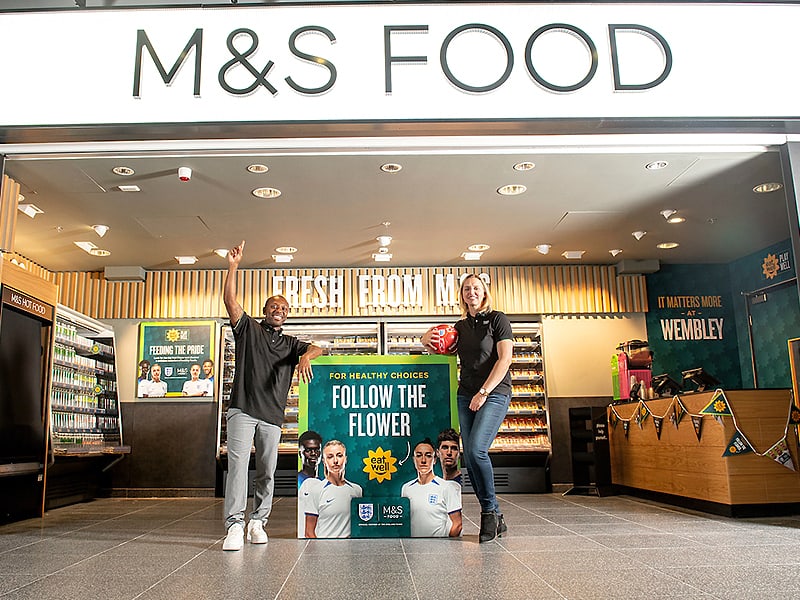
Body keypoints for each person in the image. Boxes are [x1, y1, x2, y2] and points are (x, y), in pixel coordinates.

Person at [222, 239, 324, 551]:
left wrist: (306, 357)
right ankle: (234, 526)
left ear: (287, 315)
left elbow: (319, 347)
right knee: (238, 467)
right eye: (273, 307)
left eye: (283, 308)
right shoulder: (248, 329)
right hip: (242, 408)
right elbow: (230, 302)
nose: (278, 311)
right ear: (265, 311)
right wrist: (233, 266)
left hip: (272, 416)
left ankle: (258, 521)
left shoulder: (292, 344)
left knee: (267, 471)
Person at [421, 274, 513, 543]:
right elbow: (432, 344)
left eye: (476, 288)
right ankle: (496, 515)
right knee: (469, 458)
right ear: (462, 295)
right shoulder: (460, 327)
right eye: (466, 289)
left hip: (494, 393)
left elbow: (505, 358)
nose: (471, 292)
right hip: (466, 394)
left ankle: (488, 512)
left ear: (485, 292)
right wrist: (429, 337)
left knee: (476, 450)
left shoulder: (498, 319)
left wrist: (484, 392)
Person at [300, 439, 362, 538]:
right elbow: (309, 532)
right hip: (325, 550)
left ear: (345, 459)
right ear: (324, 461)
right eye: (330, 457)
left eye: (339, 455)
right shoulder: (316, 490)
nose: (335, 461)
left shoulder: (356, 490)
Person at [401, 438, 462, 538]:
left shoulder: (446, 487)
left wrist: (448, 545)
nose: (423, 460)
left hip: (437, 548)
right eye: (419, 456)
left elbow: (457, 524)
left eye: (428, 456)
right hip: (412, 547)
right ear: (414, 460)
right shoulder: (406, 488)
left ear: (434, 460)